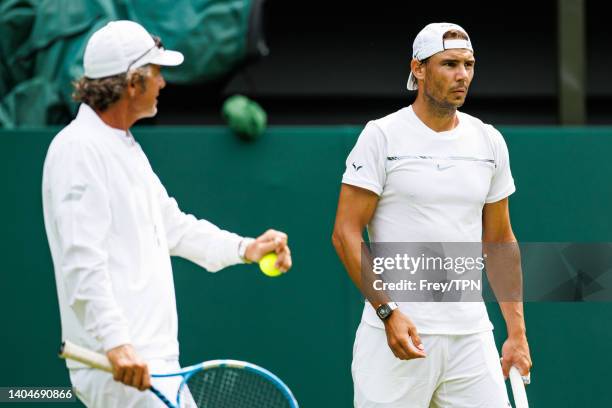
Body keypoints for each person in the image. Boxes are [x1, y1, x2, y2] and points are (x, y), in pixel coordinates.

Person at [42, 20, 292, 408]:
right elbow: (81, 259)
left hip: (150, 363)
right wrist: (116, 343)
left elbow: (173, 228)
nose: (163, 83)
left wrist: (246, 248)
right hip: (120, 366)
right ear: (131, 83)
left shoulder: (123, 147)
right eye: (157, 73)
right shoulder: (79, 149)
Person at [332, 22, 532, 407]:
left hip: (471, 339)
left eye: (469, 65)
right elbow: (345, 232)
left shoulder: (489, 141)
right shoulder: (381, 136)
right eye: (449, 64)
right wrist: (388, 312)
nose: (462, 76)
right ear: (418, 69)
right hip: (396, 337)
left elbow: (500, 240)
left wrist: (516, 333)